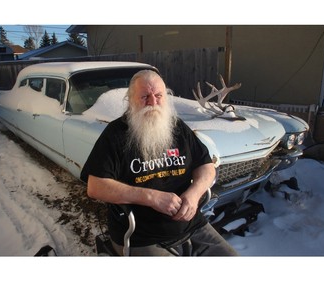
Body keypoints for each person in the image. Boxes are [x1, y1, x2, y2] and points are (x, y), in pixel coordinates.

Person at [80, 70, 238, 256]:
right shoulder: (115, 134)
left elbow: (206, 167)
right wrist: (151, 197)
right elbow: (95, 187)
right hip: (140, 235)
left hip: (192, 224)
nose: (153, 102)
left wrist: (194, 194)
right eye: (145, 96)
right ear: (131, 100)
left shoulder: (177, 127)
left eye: (158, 96)